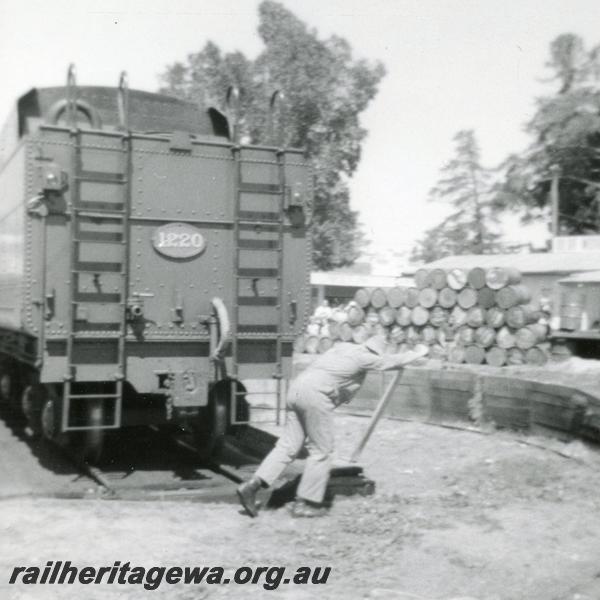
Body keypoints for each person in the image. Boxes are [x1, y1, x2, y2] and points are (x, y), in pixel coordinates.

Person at [236, 335, 429, 518]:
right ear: (375, 351)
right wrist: (418, 353)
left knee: (287, 446)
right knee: (322, 450)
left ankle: (251, 487)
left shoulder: (343, 348)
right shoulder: (364, 357)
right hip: (316, 396)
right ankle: (307, 505)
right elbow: (389, 362)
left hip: (296, 390)